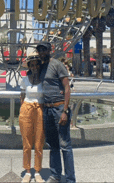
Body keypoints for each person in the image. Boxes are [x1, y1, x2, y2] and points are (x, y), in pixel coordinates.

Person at [36, 42, 76, 183]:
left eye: (44, 49)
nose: (41, 52)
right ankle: (55, 175)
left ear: (50, 50)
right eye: (39, 50)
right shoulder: (40, 66)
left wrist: (65, 110)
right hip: (47, 109)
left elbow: (66, 88)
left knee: (65, 145)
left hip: (59, 108)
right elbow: (25, 64)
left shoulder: (57, 65)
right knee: (52, 145)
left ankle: (71, 179)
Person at [19, 52, 45, 183]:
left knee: (39, 142)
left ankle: (38, 171)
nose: (34, 67)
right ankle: (28, 171)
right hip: (26, 109)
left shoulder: (44, 80)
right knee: (27, 142)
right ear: (29, 66)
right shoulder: (24, 80)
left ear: (40, 66)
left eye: (36, 64)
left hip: (40, 109)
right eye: (32, 65)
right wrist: (22, 111)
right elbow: (22, 97)